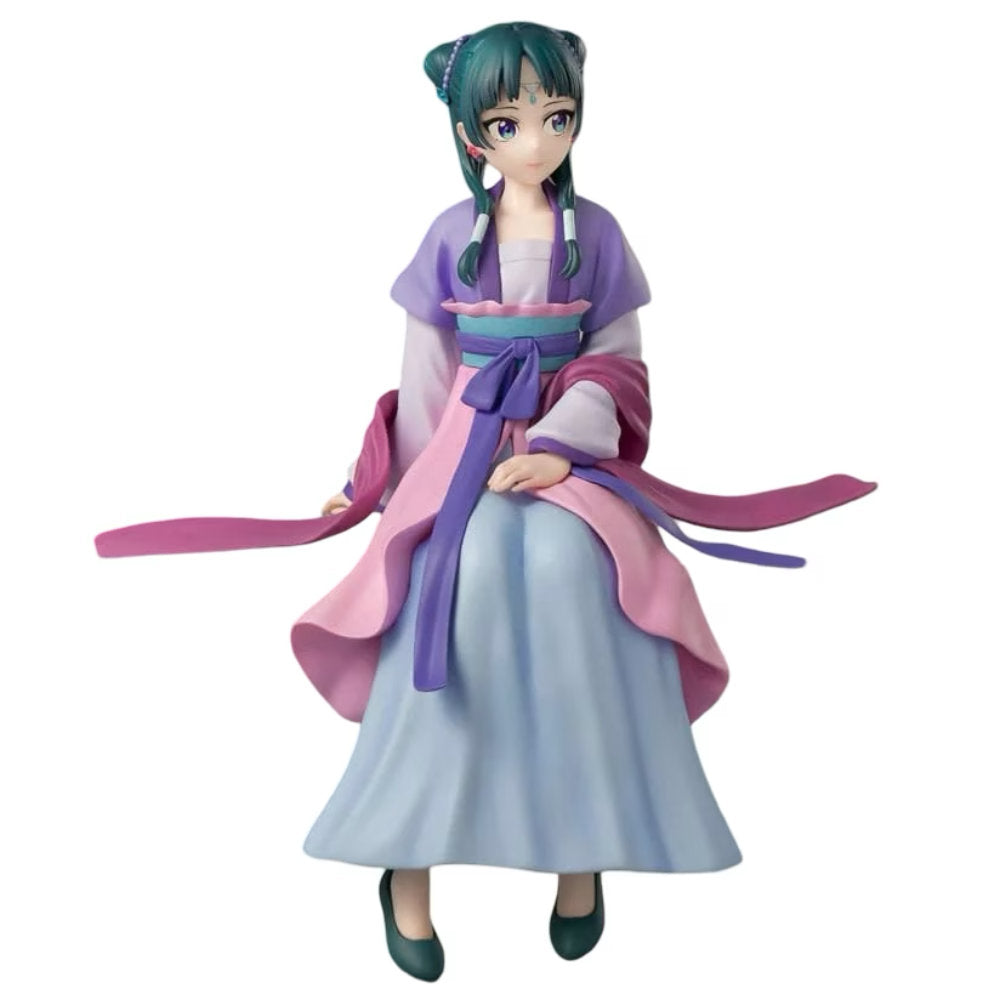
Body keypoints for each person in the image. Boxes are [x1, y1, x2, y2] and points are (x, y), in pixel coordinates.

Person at [95, 21, 874, 984]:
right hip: (458, 448)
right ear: (474, 135)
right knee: (445, 576)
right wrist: (392, 487)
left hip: (566, 451)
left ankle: (585, 847)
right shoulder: (448, 240)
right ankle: (407, 857)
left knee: (575, 569)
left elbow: (621, 365)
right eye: (510, 123)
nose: (536, 141)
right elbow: (425, 372)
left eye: (556, 117)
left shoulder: (598, 236)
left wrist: (559, 446)